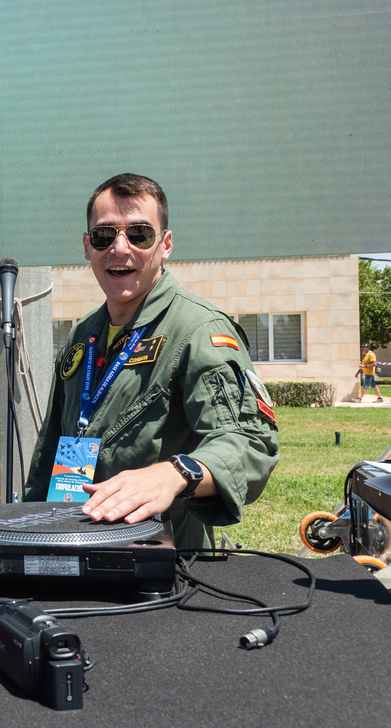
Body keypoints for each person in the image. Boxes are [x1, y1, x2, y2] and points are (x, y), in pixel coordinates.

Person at [22, 174, 279, 549]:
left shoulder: (198, 330)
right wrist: (29, 530)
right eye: (103, 235)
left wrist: (175, 473)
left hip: (164, 559)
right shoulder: (84, 334)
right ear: (86, 246)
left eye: (139, 234)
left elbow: (250, 441)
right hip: (74, 539)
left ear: (166, 244)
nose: (120, 248)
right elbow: (52, 448)